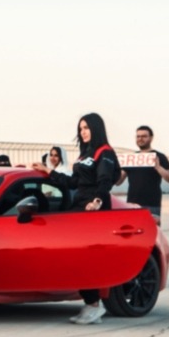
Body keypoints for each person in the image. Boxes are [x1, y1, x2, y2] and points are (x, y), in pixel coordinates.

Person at [46, 112, 122, 325]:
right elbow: (73, 183)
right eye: (80, 129)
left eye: (87, 128)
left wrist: (97, 201)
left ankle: (94, 305)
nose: (83, 132)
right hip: (79, 207)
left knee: (87, 258)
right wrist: (49, 173)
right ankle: (91, 303)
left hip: (93, 209)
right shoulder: (84, 154)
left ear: (96, 128)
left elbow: (105, 180)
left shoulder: (104, 152)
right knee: (75, 257)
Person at [118, 125, 169, 221]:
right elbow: (118, 182)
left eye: (144, 136)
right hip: (132, 204)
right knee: (133, 230)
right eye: (138, 136)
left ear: (151, 138)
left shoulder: (159, 156)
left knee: (152, 231)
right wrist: (115, 167)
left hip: (152, 204)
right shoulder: (131, 158)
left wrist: (158, 167)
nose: (140, 139)